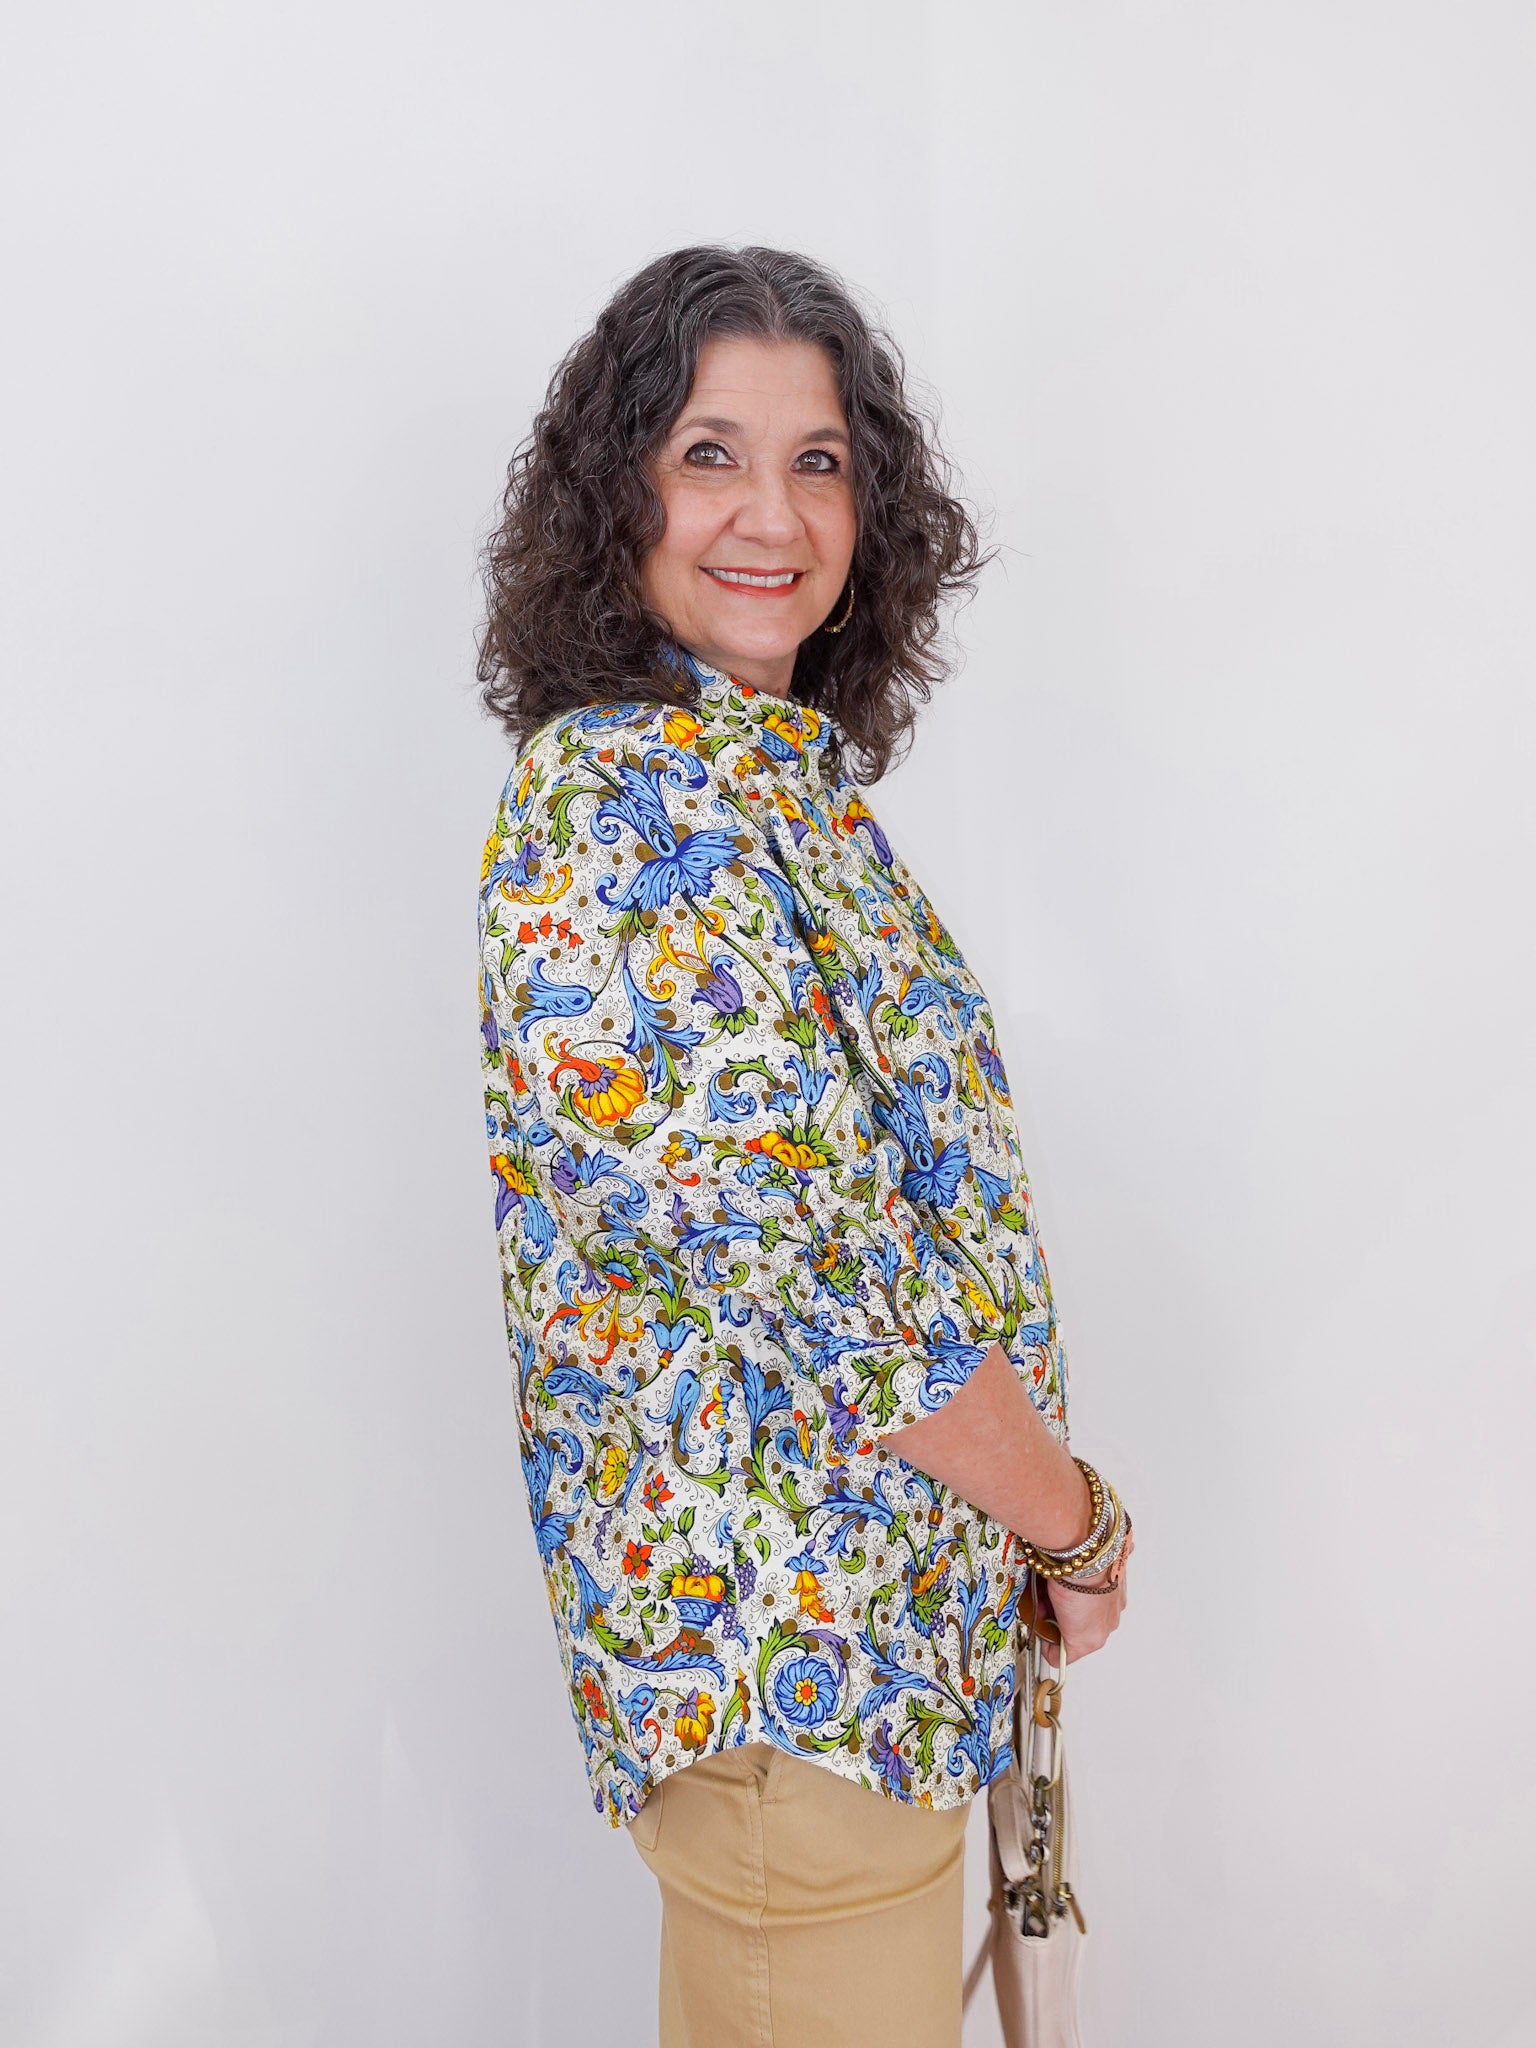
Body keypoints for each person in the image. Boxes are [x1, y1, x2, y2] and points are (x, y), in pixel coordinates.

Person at [474, 244, 1133, 2048]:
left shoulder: (779, 793)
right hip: (794, 1702)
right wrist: (1075, 1528)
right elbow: (840, 1288)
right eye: (709, 453)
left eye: (820, 460)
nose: (772, 511)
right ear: (616, 494)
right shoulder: (615, 814)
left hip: (883, 1685)